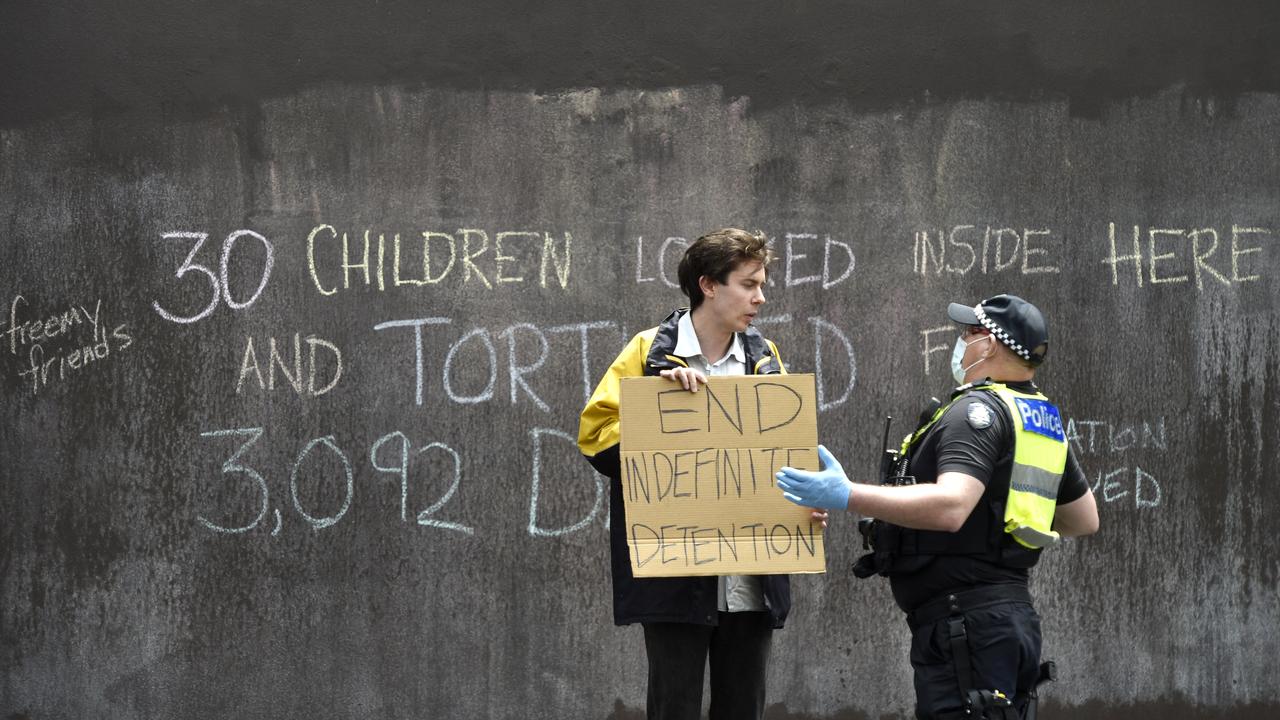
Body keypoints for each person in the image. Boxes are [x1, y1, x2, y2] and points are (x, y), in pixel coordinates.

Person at [775, 294, 1099, 720]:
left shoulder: (976, 412)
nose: (961, 341)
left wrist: (847, 494)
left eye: (969, 333)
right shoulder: (1035, 417)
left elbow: (951, 506)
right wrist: (1001, 515)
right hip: (1006, 619)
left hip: (964, 626)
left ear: (990, 344)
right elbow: (1083, 518)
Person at [578, 228, 826, 720]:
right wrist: (658, 410)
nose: (761, 296)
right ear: (709, 285)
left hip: (752, 575)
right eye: (748, 283)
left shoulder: (764, 358)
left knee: (742, 707)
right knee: (674, 707)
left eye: (762, 283)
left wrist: (805, 499)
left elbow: (781, 457)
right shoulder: (649, 351)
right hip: (676, 573)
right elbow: (596, 438)